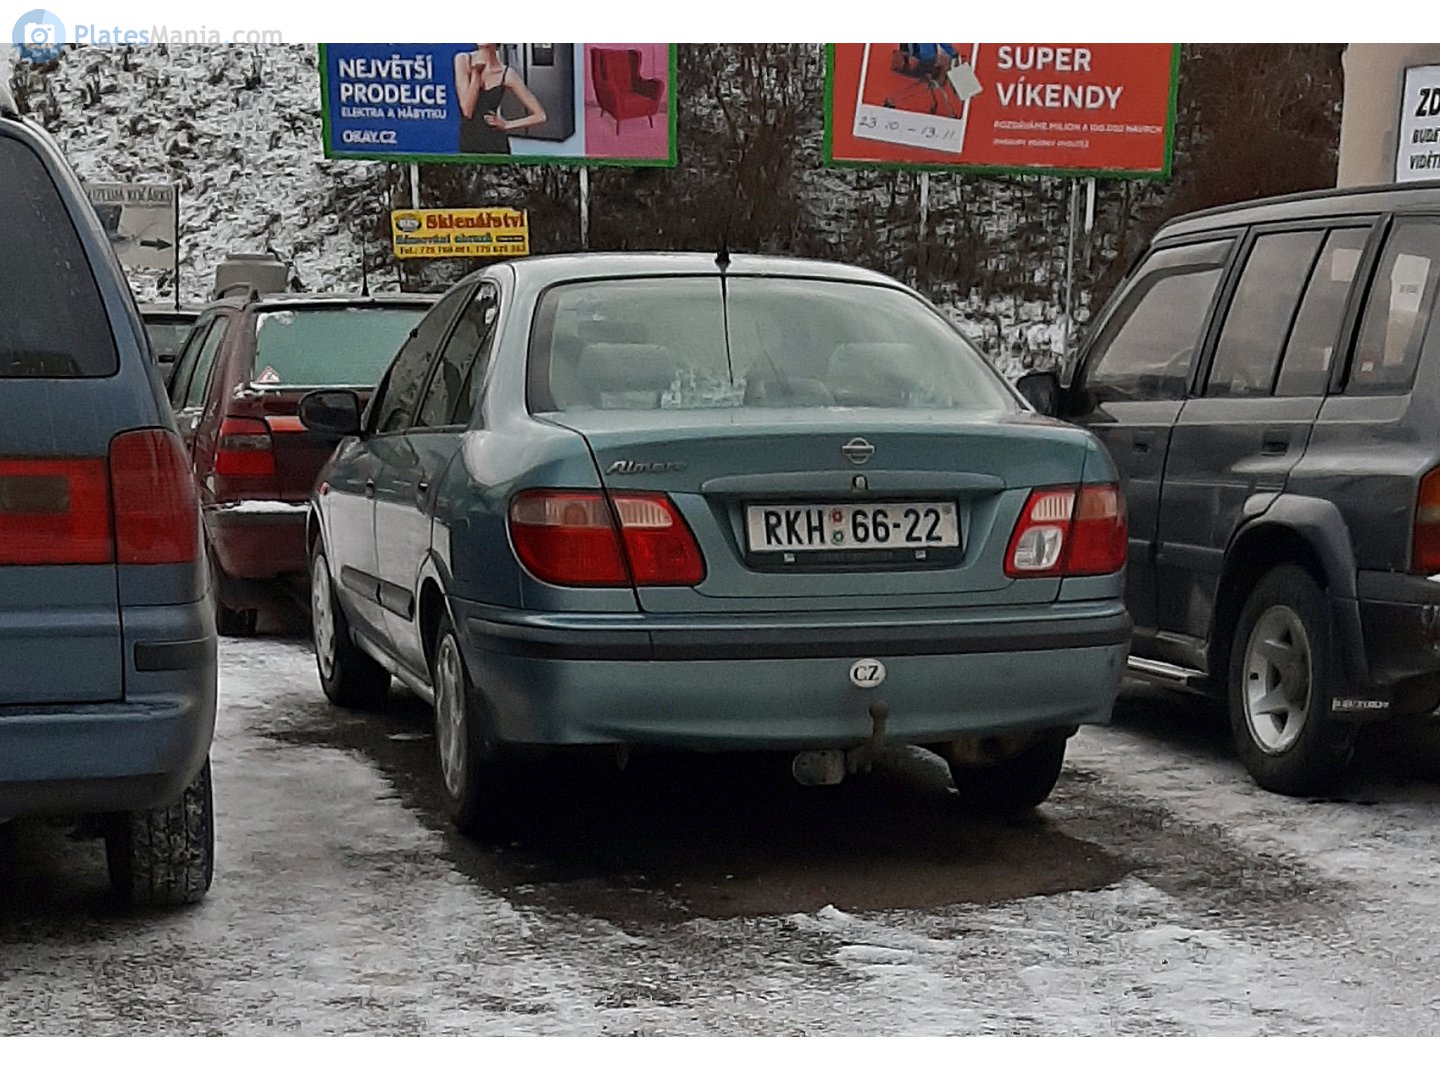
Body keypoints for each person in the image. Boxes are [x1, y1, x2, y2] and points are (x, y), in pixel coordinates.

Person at [454, 44, 548, 155]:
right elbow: (467, 111)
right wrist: (476, 76)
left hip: (496, 143)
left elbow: (540, 116)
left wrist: (507, 125)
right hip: (470, 141)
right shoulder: (463, 60)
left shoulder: (506, 74)